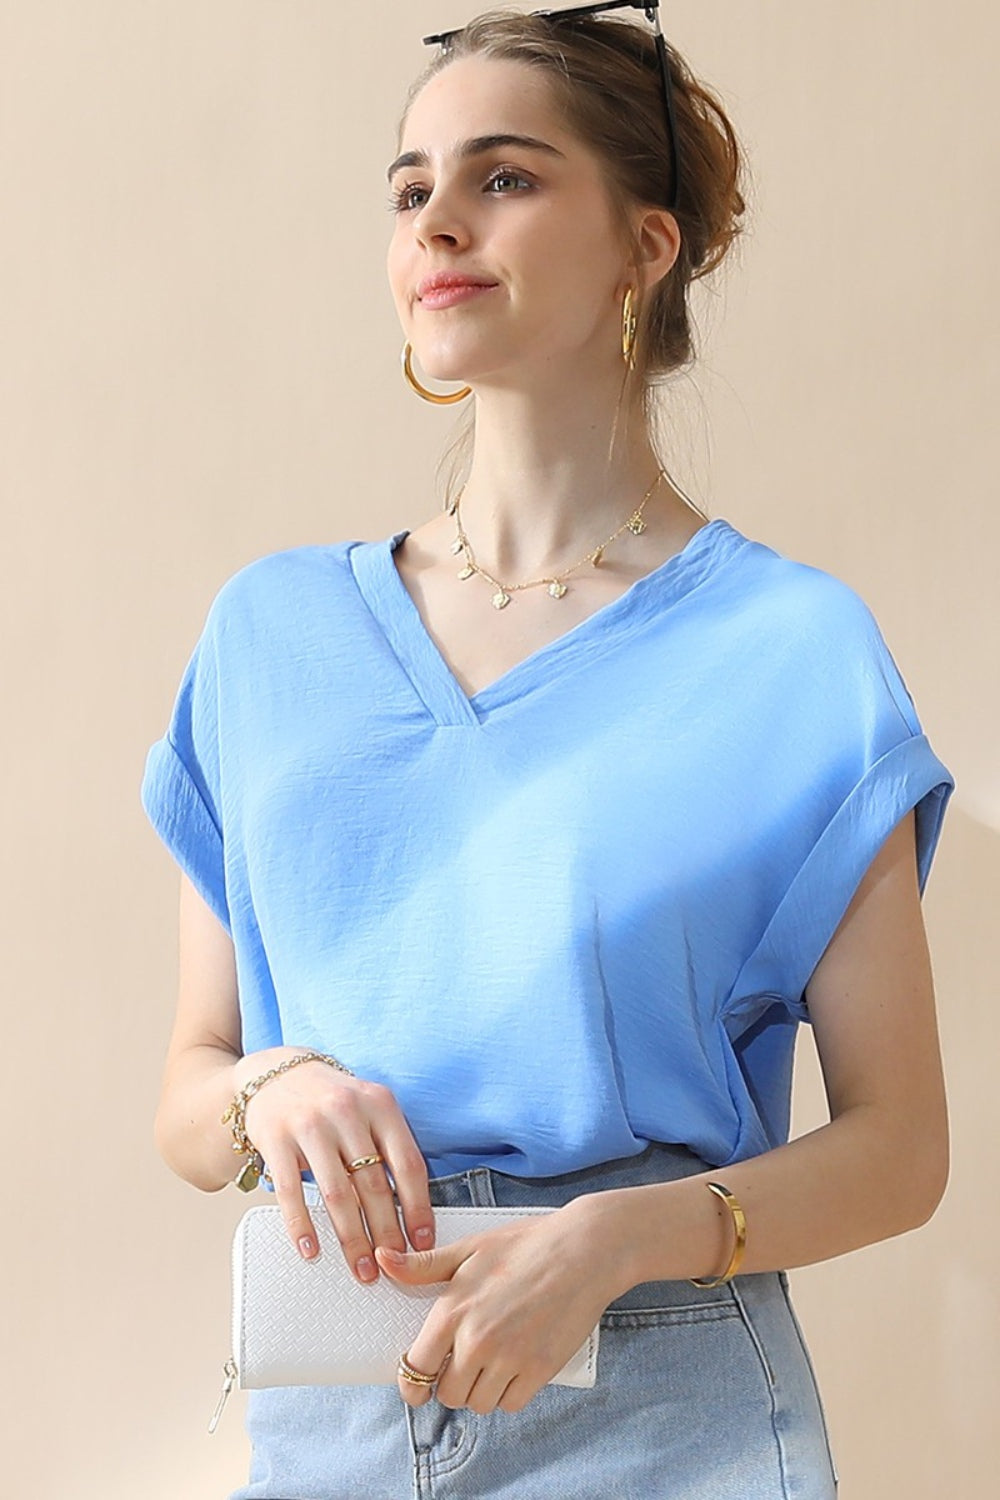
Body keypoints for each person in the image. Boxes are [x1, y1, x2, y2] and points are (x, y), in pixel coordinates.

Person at [139, 6, 956, 1498]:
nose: (437, 221)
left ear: (649, 246)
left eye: (504, 178)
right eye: (408, 190)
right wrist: (271, 1090)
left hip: (668, 1411)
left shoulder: (793, 653)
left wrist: (625, 1238)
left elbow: (901, 1148)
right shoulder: (270, 636)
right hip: (338, 1411)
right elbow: (190, 1099)